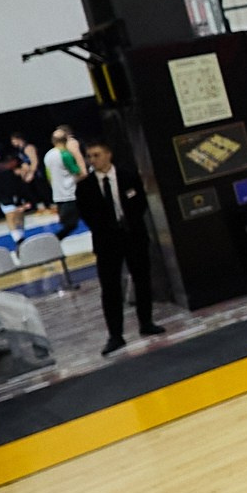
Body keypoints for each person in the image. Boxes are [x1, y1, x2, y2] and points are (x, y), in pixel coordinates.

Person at [74, 140, 162, 353]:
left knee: (142, 279)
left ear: (108, 154)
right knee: (111, 288)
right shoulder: (85, 187)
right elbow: (87, 215)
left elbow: (140, 203)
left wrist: (127, 223)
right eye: (89, 156)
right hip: (106, 242)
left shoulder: (128, 176)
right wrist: (108, 228)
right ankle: (115, 335)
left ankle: (146, 322)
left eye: (96, 155)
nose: (92, 160)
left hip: (133, 236)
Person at [44, 125, 86, 237]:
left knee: (69, 225)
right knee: (72, 225)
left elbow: (49, 177)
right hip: (71, 194)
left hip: (58, 195)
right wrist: (77, 154)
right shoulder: (65, 155)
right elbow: (79, 172)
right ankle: (54, 241)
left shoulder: (48, 155)